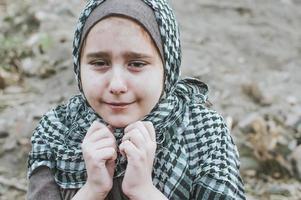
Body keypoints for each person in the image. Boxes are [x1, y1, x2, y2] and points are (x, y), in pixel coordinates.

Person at [27, 0, 246, 199]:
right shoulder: (56, 132)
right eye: (99, 62)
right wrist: (92, 190)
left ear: (167, 68)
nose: (116, 85)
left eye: (137, 64)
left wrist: (144, 191)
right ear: (79, 65)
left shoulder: (203, 133)